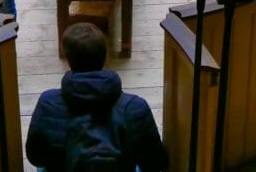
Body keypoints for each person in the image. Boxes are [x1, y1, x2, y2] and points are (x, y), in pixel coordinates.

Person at [26, 22, 168, 172]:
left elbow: (35, 156)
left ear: (68, 60)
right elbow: (156, 161)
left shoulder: (48, 103)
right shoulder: (135, 107)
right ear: (105, 57)